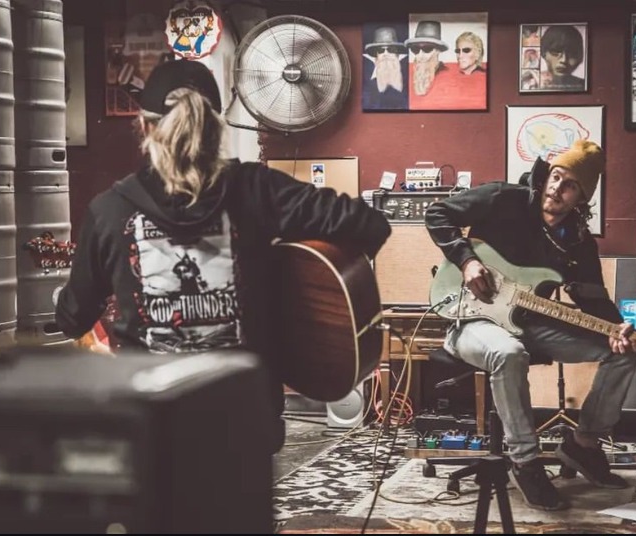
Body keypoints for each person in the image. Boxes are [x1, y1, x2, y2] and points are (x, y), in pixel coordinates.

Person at [55, 59, 391, 446]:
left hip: (151, 427)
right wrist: (294, 300)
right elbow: (369, 224)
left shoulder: (108, 211)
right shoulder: (258, 190)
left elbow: (72, 319)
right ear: (217, 128)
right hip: (246, 422)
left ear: (145, 128)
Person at [425, 140, 636, 511]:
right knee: (509, 353)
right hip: (470, 318)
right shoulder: (503, 198)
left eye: (570, 185)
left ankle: (583, 445)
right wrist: (467, 261)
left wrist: (618, 328)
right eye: (556, 176)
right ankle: (525, 462)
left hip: (530, 324)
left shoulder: (577, 243)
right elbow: (437, 213)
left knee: (624, 351)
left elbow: (593, 298)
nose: (557, 188)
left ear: (581, 198)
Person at [362, 25, 407, 110]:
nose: (386, 54)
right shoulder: (366, 85)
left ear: (397, 55)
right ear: (376, 57)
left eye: (391, 49)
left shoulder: (408, 79)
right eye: (381, 50)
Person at [405, 19, 449, 103]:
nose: (420, 56)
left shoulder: (447, 79)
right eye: (415, 49)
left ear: (438, 51)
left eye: (427, 49)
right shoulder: (407, 75)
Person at [540, 25, 586, 91]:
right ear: (543, 53)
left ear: (580, 57)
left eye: (572, 54)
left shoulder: (584, 85)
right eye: (555, 52)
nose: (563, 60)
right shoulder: (532, 82)